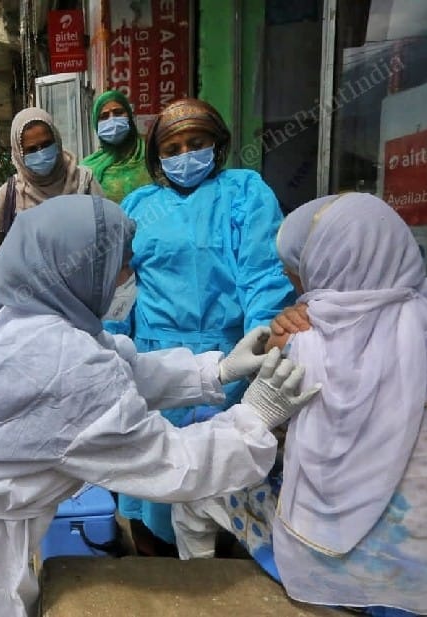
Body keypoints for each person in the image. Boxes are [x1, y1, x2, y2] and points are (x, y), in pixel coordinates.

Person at [0, 195, 318, 617]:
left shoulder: (21, 312)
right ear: (78, 267)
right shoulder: (59, 356)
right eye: (120, 264)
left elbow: (117, 370)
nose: (129, 277)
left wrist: (214, 371)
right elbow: (175, 464)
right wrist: (255, 417)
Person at [173, 193, 427, 616]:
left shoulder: (304, 341)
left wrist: (282, 340)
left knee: (201, 470)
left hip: (344, 552)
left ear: (328, 266)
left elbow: (276, 423)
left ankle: (199, 584)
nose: (291, 280)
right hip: (422, 553)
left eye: (296, 272)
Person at [103, 97, 297, 553]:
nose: (185, 155)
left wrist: (264, 346)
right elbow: (120, 285)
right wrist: (111, 352)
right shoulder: (140, 204)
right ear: (157, 157)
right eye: (172, 148)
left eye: (197, 142)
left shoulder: (244, 192)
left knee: (227, 477)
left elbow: (263, 275)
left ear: (218, 144)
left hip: (231, 356)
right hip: (153, 356)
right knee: (156, 483)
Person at [0, 107, 103, 264]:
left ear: (57, 140)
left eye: (46, 144)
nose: (41, 153)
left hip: (85, 280)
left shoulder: (84, 181)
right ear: (19, 154)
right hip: (32, 285)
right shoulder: (11, 194)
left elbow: (106, 233)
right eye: (32, 149)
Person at [81, 90, 152, 204]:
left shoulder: (152, 153)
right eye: (104, 116)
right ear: (96, 124)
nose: (112, 119)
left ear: (129, 115)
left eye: (118, 112)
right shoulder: (88, 169)